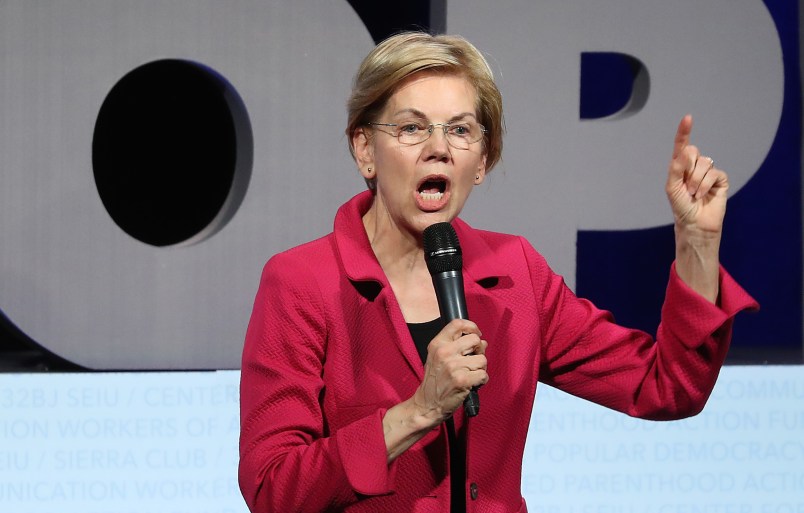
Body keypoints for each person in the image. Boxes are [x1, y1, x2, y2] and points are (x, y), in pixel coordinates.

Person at [238, 31, 758, 513]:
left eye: (460, 130)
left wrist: (698, 244)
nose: (438, 147)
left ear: (482, 161)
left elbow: (666, 386)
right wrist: (418, 411)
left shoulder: (514, 273)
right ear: (364, 149)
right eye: (413, 127)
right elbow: (272, 488)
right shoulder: (302, 283)